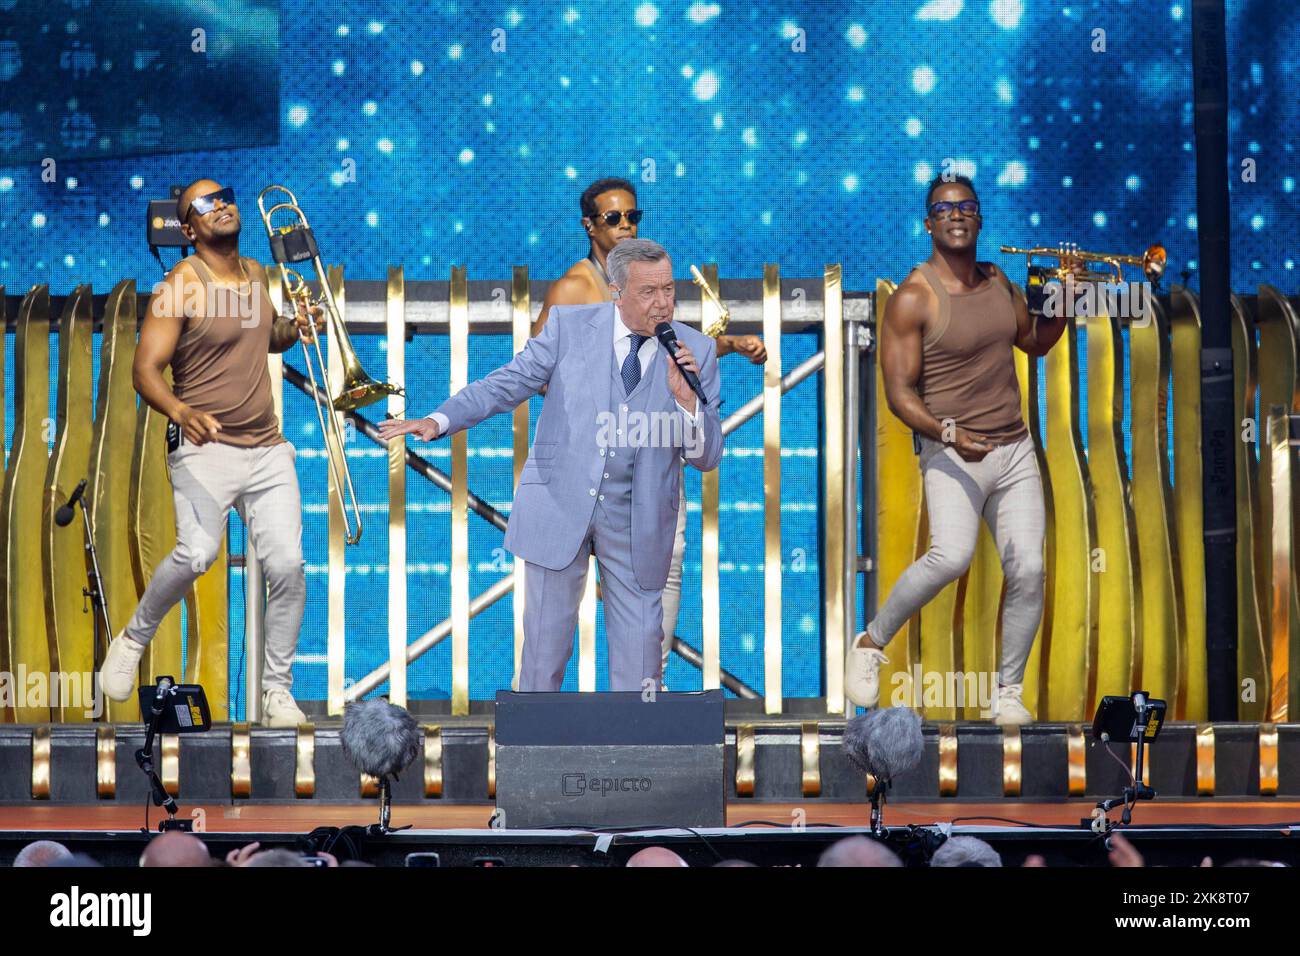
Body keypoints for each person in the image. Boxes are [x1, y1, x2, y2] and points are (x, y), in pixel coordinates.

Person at [379, 239, 722, 691]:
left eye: (668, 289)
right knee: (541, 662)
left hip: (640, 524)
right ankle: (532, 757)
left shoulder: (696, 351)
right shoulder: (568, 325)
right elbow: (508, 383)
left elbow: (708, 455)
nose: (662, 303)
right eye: (647, 292)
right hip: (559, 508)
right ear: (616, 291)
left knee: (642, 671)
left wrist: (685, 402)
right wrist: (439, 418)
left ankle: (636, 760)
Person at [98, 178, 322, 727]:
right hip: (206, 446)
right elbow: (143, 370)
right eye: (204, 204)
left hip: (266, 448)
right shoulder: (180, 284)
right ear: (189, 228)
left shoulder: (255, 275)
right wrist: (180, 412)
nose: (220, 204)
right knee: (198, 554)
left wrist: (299, 326)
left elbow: (266, 337)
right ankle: (134, 637)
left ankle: (277, 694)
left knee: (289, 567)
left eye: (224, 194)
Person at [847, 174, 1069, 726]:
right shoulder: (912, 298)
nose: (956, 215)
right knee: (952, 555)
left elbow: (1035, 342)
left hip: (1013, 449)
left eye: (966, 206)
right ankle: (871, 642)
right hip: (950, 449)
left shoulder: (998, 281)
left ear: (980, 218)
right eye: (943, 209)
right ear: (928, 223)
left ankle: (1008, 692)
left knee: (1031, 568)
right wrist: (948, 433)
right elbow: (899, 394)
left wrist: (1064, 298)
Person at [534, 177, 765, 686]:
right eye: (613, 218)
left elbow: (670, 351)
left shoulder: (640, 282)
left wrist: (727, 346)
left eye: (632, 217)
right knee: (555, 637)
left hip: (655, 476)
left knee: (653, 628)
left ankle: (636, 741)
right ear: (589, 226)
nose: (625, 226)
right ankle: (551, 749)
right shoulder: (576, 288)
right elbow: (539, 373)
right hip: (594, 483)